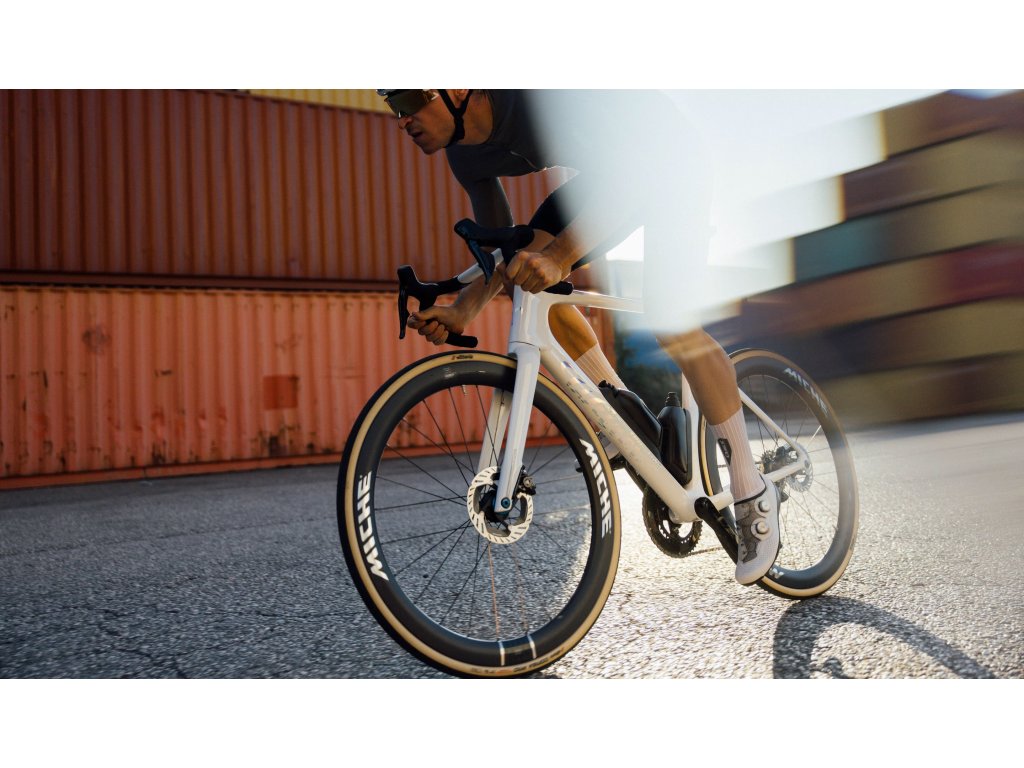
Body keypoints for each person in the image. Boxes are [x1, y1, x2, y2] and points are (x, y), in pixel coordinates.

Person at [377, 89, 779, 586]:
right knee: (529, 276)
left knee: (668, 320)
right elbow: (504, 255)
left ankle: (750, 487)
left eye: (409, 99)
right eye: (393, 106)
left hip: (668, 159)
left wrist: (561, 256)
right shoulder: (464, 155)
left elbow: (633, 175)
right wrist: (463, 309)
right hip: (609, 176)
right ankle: (619, 408)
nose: (403, 119)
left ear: (458, 89)